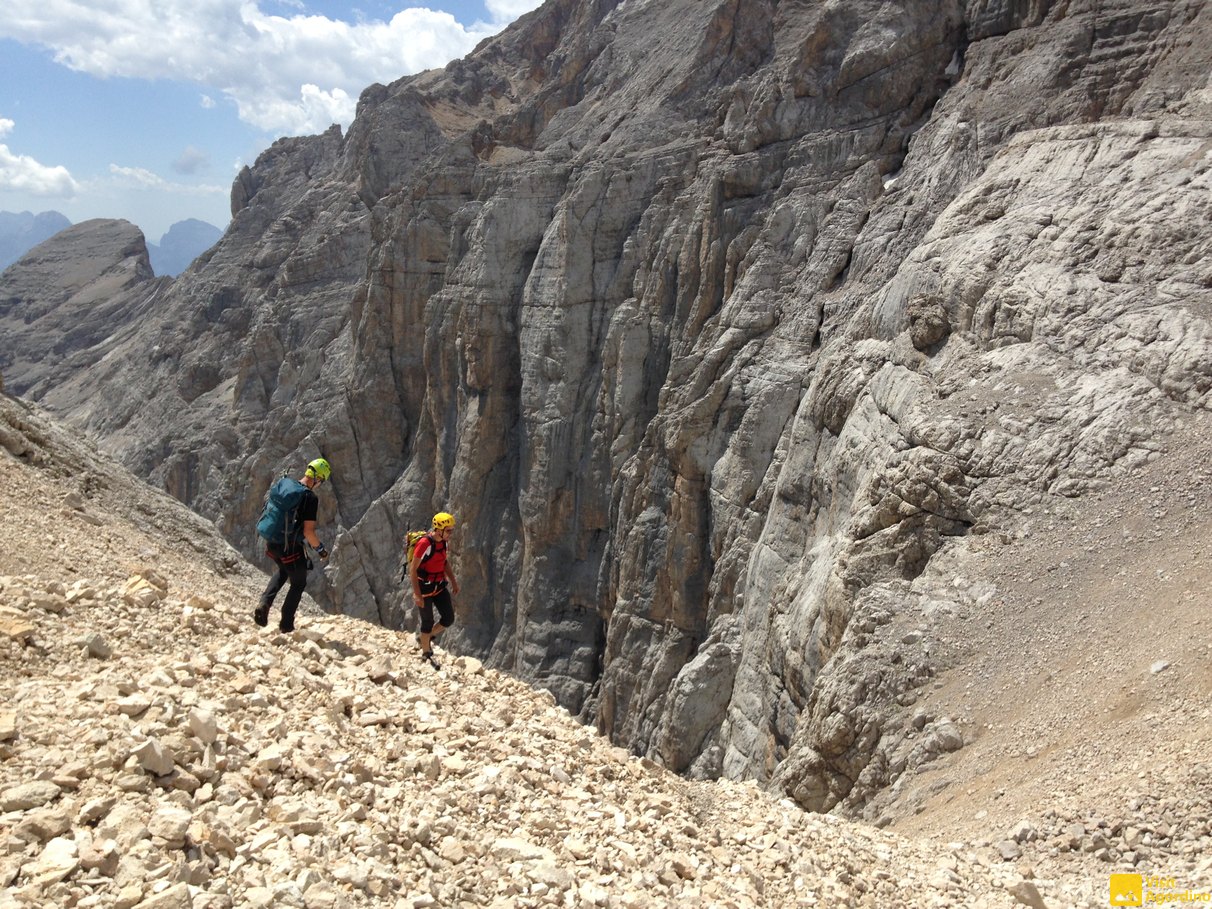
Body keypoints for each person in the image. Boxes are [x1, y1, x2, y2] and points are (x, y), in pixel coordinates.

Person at [255, 458, 332, 633]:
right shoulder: (309, 497)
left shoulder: (286, 482)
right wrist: (321, 550)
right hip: (289, 547)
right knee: (298, 582)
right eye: (322, 480)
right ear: (318, 478)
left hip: (271, 542)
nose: (320, 484)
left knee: (283, 570)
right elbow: (308, 532)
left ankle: (264, 603)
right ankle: (286, 625)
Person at [410, 511, 459, 667]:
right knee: (427, 621)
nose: (451, 533)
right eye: (449, 530)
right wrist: (417, 594)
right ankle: (426, 652)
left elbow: (444, 562)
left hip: (438, 585)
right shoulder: (425, 544)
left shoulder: (443, 542)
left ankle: (424, 637)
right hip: (424, 589)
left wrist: (453, 581)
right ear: (439, 529)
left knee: (448, 618)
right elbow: (413, 569)